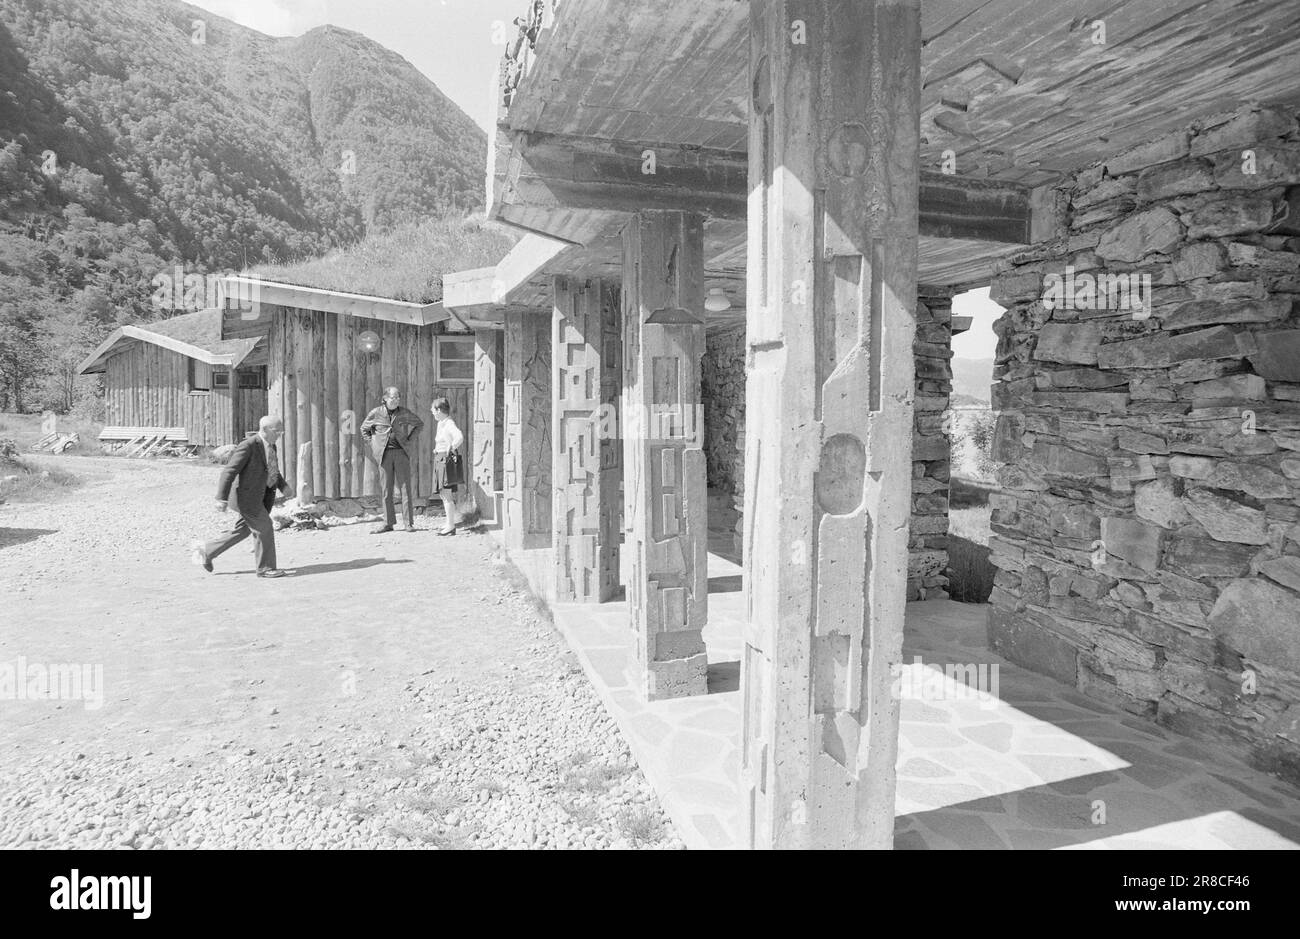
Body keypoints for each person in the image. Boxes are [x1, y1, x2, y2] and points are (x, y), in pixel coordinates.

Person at [192, 415, 290, 578]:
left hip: (260, 497)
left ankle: (207, 551)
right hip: (246, 498)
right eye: (277, 431)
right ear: (265, 430)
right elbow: (229, 471)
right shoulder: (248, 446)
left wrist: (283, 486)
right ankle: (266, 568)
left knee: (242, 530)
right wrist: (221, 498)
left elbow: (272, 470)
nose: (280, 434)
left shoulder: (272, 446)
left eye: (281, 431)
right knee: (265, 526)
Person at [361, 387, 424, 533]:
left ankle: (408, 523)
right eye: (392, 397)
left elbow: (419, 424)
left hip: (401, 453)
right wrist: (373, 444)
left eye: (397, 398)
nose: (395, 400)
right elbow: (364, 429)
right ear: (385, 399)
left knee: (405, 488)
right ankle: (388, 523)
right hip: (384, 455)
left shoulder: (404, 412)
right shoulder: (376, 413)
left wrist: (409, 440)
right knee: (386, 490)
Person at [430, 396, 464, 536]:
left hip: (445, 460)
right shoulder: (442, 423)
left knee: (446, 494)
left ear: (439, 410)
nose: (432, 413)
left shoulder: (449, 423)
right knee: (444, 495)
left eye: (433, 410)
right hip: (440, 457)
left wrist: (451, 447)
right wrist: (438, 449)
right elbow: (442, 441)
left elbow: (459, 437)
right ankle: (449, 522)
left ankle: (451, 526)